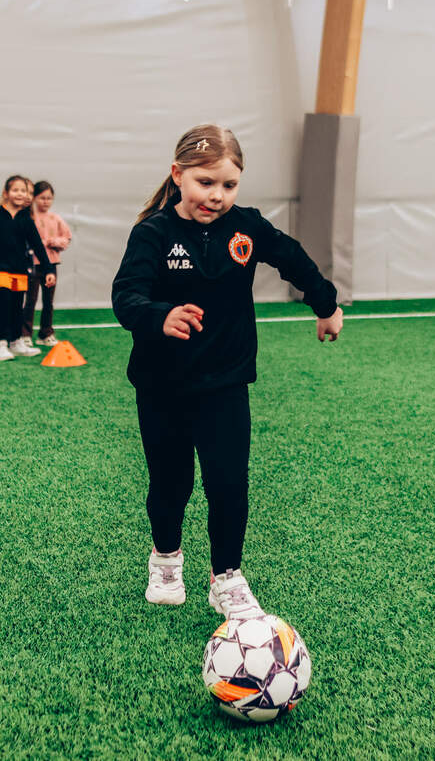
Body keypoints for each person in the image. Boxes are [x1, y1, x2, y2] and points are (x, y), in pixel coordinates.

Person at [111, 124, 343, 620]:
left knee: (228, 483)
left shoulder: (247, 227)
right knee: (171, 482)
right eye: (205, 182)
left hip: (225, 384)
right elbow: (126, 295)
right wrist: (160, 317)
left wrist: (326, 305)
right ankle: (166, 560)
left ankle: (227, 578)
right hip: (162, 386)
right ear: (178, 175)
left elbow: (294, 261)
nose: (216, 195)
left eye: (229, 185)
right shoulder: (153, 233)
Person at [0, 176, 56, 360]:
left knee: (16, 307)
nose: (20, 194)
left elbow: (37, 245)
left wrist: (48, 270)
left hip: (20, 272)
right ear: (6, 193)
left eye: (23, 190)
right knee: (2, 306)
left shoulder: (25, 219)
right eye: (15, 190)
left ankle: (16, 341)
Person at [21, 181, 73, 347]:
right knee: (30, 300)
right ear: (34, 198)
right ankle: (25, 334)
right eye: (42, 198)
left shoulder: (55, 218)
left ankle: (46, 333)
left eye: (49, 198)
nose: (45, 201)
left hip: (51, 265)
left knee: (48, 301)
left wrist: (51, 241)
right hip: (32, 265)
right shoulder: (29, 217)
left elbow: (66, 239)